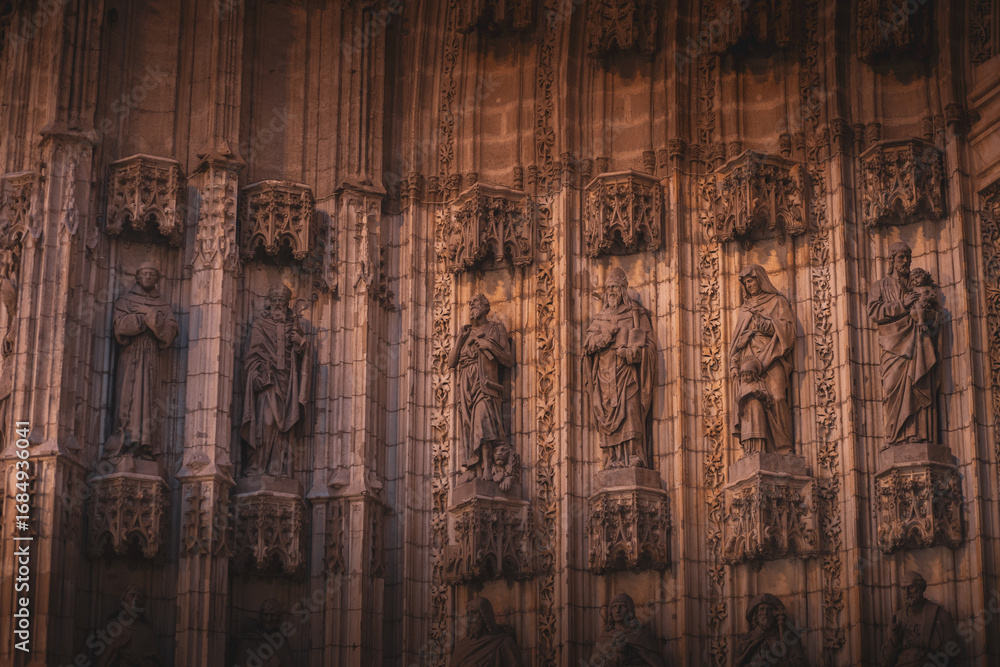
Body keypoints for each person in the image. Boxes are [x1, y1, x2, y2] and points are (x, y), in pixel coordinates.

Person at [104, 262, 179, 462]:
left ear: (157, 279)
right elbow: (119, 326)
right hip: (130, 356)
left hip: (151, 356)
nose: (148, 277)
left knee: (149, 398)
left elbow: (171, 331)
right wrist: (145, 319)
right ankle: (126, 441)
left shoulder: (162, 305)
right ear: (138, 277)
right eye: (144, 273)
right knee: (128, 396)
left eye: (152, 274)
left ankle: (146, 444)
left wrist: (152, 318)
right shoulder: (125, 301)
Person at [867, 242, 940, 446]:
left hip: (918, 344)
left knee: (919, 381)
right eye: (901, 257)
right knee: (892, 387)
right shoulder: (880, 286)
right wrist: (902, 305)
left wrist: (927, 314)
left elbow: (935, 313)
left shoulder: (917, 284)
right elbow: (874, 312)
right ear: (891, 260)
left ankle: (920, 434)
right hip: (892, 347)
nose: (906, 261)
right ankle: (896, 436)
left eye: (908, 257)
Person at [583, 268, 656, 469]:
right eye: (607, 288)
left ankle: (634, 455)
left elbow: (648, 346)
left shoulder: (635, 314)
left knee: (631, 411)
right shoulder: (601, 318)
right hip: (605, 375)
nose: (610, 292)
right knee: (607, 416)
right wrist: (603, 339)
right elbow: (587, 345)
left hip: (626, 374)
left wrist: (633, 353)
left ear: (623, 288)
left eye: (614, 287)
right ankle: (612, 458)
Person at [241, 284, 309, 477]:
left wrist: (300, 343)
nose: (279, 305)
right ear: (270, 303)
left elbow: (301, 356)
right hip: (268, 383)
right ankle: (257, 466)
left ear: (287, 305)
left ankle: (278, 470)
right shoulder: (260, 325)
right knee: (266, 422)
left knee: (286, 425)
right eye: (276, 301)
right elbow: (251, 355)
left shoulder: (293, 327)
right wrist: (258, 372)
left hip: (288, 382)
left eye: (283, 302)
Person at [729, 265, 796, 455]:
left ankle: (783, 448)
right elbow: (736, 342)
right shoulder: (745, 309)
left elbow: (789, 332)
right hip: (749, 361)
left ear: (760, 279)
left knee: (778, 397)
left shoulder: (777, 302)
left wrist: (766, 325)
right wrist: (734, 364)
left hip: (772, 356)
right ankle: (757, 449)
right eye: (746, 282)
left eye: (751, 280)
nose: (749, 285)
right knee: (752, 402)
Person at [448, 293, 514, 483]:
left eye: (475, 303)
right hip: (466, 386)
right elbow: (452, 362)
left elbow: (508, 360)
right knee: (468, 427)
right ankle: (474, 467)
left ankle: (488, 468)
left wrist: (489, 346)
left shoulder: (496, 329)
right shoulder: (466, 333)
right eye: (470, 304)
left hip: (485, 385)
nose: (471, 306)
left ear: (486, 307)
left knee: (481, 423)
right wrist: (460, 339)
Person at [881, 571, 963, 667]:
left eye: (911, 587)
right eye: (903, 588)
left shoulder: (938, 614)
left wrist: (929, 644)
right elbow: (885, 661)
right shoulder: (897, 618)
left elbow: (953, 649)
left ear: (921, 588)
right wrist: (894, 642)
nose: (907, 592)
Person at [588, 592, 665, 666]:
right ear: (611, 611)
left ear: (629, 610)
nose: (617, 610)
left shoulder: (640, 635)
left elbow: (657, 663)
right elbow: (595, 664)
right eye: (614, 606)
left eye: (622, 606)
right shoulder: (605, 637)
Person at [97, 586, 162, 667]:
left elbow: (157, 664)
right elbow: (97, 659)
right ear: (123, 599)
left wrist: (139, 662)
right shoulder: (108, 627)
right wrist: (114, 649)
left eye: (139, 597)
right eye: (132, 595)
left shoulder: (146, 632)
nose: (136, 599)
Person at [734, 594, 807, 667]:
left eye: (768, 609)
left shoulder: (785, 637)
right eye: (761, 609)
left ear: (774, 614)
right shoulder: (746, 640)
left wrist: (780, 664)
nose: (765, 613)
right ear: (756, 615)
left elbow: (800, 662)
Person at [449, 597, 523, 666]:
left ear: (485, 615)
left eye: (474, 612)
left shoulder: (504, 643)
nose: (470, 618)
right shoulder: (461, 646)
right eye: (468, 614)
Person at [234, 599, 295, 667]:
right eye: (266, 614)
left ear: (278, 618)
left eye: (273, 615)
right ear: (260, 616)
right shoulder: (247, 641)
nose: (269, 619)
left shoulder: (282, 644)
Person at [735, 357, 774, 455]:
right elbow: (738, 398)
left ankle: (759, 449)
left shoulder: (759, 383)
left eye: (748, 374)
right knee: (748, 431)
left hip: (757, 409)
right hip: (746, 411)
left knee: (758, 428)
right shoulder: (742, 387)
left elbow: (767, 396)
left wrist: (760, 394)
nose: (745, 377)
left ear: (754, 374)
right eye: (743, 375)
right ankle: (748, 451)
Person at [908, 267, 941, 336]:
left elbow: (934, 296)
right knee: (912, 312)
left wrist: (928, 297)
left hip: (926, 307)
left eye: (917, 277)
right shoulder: (914, 289)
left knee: (918, 305)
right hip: (917, 308)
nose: (915, 281)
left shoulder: (928, 288)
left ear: (923, 276)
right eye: (913, 280)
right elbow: (906, 290)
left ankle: (922, 321)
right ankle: (924, 325)